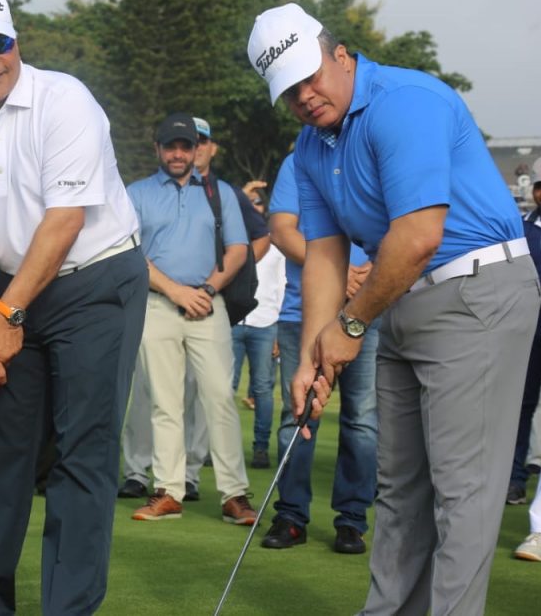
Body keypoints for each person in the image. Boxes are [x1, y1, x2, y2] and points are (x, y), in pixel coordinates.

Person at [249, 3, 539, 614]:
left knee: (461, 491)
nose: (304, 97)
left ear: (340, 54)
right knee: (400, 489)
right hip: (404, 300)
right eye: (289, 91)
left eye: (309, 77)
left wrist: (351, 323)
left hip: (476, 292)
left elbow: (418, 236)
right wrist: (312, 359)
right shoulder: (310, 146)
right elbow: (325, 252)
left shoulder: (404, 101)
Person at [0, 0, 147, 615]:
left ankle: (67, 609)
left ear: (16, 40)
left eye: (1, 42)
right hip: (10, 290)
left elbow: (65, 221)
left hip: (96, 282)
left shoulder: (65, 100)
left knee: (82, 452)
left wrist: (8, 314)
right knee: (2, 452)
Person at [120, 116, 270, 500]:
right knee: (164, 403)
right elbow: (130, 252)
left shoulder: (222, 193)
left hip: (208, 304)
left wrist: (206, 289)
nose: (177, 154)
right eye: (170, 146)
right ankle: (168, 492)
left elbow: (238, 250)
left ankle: (234, 494)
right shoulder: (136, 193)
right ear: (157, 149)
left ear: (196, 149)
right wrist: (175, 291)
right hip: (157, 304)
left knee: (219, 398)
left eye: (185, 146)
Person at [261, 153, 379, 554]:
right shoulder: (298, 160)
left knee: (362, 420)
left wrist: (372, 276)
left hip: (368, 311)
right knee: (297, 414)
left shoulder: (371, 153)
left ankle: (352, 520)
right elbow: (282, 230)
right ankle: (291, 516)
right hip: (303, 311)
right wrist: (337, 274)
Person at [230, 240, 286, 469]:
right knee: (225, 387)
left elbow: (282, 286)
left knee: (262, 389)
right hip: (232, 321)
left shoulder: (276, 247)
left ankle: (260, 447)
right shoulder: (233, 241)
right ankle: (218, 447)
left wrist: (279, 330)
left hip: (266, 323)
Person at [507, 174, 541, 505]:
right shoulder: (521, 229)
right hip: (529, 330)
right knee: (520, 405)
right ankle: (514, 479)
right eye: (540, 187)